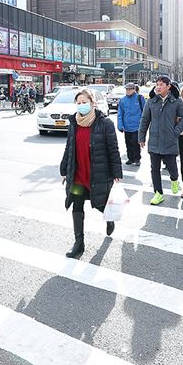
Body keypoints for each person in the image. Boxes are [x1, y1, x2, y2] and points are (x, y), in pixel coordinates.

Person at [59, 89, 123, 259]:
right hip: (78, 175)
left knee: (100, 204)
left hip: (97, 174)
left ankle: (109, 219)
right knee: (77, 207)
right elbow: (69, 148)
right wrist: (64, 168)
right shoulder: (74, 123)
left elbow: (113, 149)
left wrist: (117, 171)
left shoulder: (105, 123)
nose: (81, 106)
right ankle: (78, 244)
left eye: (84, 102)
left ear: (92, 103)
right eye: (78, 103)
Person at [139, 75, 183, 205]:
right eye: (157, 84)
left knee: (172, 167)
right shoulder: (151, 101)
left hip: (170, 141)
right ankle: (158, 193)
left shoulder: (176, 101)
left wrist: (176, 131)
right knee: (154, 168)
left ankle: (174, 179)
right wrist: (141, 137)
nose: (158, 87)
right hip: (154, 141)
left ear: (168, 86)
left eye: (161, 85)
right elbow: (144, 120)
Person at [117, 82, 145, 166]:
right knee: (128, 143)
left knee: (135, 142)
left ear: (134, 89)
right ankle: (130, 158)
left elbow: (145, 112)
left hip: (137, 126)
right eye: (127, 89)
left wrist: (144, 125)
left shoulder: (140, 98)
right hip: (127, 126)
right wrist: (120, 125)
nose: (128, 91)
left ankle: (137, 159)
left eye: (130, 89)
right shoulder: (123, 100)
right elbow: (120, 113)